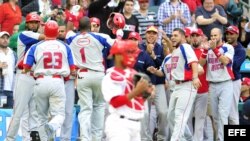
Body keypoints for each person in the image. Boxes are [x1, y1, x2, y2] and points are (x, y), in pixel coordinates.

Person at [23, 20, 75, 140]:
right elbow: (72, 69)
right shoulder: (65, 46)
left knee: (41, 118)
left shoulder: (35, 46)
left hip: (40, 81)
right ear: (57, 32)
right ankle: (52, 125)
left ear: (44, 31)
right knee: (59, 115)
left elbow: (26, 68)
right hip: (57, 81)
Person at [67, 17, 115, 141]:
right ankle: (97, 138)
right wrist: (118, 33)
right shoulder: (100, 37)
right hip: (98, 74)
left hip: (82, 74)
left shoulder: (72, 37)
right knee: (99, 106)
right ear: (90, 26)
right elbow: (116, 45)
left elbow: (68, 31)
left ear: (79, 26)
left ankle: (84, 138)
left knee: (85, 108)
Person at [102, 39, 154, 141]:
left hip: (136, 124)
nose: (132, 55)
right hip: (119, 124)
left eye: (132, 52)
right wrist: (137, 91)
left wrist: (147, 92)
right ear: (117, 55)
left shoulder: (133, 72)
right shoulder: (110, 76)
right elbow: (115, 102)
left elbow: (137, 99)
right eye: (128, 52)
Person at [6, 13, 45, 141]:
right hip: (24, 75)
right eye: (31, 22)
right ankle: (10, 138)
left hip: (36, 76)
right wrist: (46, 28)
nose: (33, 24)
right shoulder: (25, 34)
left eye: (36, 22)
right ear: (26, 24)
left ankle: (28, 138)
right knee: (19, 111)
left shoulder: (40, 40)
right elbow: (45, 36)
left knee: (33, 111)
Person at [199, 27, 235, 140]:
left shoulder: (228, 47)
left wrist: (215, 50)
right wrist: (205, 50)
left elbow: (225, 62)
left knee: (223, 115)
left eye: (216, 35)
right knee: (215, 117)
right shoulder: (208, 49)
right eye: (212, 35)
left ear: (220, 36)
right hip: (212, 85)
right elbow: (200, 65)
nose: (213, 37)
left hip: (226, 84)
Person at [166, 28, 200, 141]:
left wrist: (195, 77)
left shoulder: (185, 46)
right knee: (170, 115)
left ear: (183, 37)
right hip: (177, 86)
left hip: (187, 85)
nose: (173, 37)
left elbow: (194, 62)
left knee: (179, 115)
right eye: (172, 35)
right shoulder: (176, 49)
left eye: (176, 35)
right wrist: (167, 41)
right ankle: (188, 138)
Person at [188, 28, 209, 141]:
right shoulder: (187, 51)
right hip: (188, 89)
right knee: (187, 118)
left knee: (200, 118)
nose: (195, 38)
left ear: (201, 37)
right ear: (190, 38)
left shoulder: (205, 51)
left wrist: (205, 51)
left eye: (197, 35)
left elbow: (200, 65)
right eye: (193, 36)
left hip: (203, 89)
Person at [225, 25, 246, 125]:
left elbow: (234, 66)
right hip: (222, 81)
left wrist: (223, 59)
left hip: (234, 81)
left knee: (232, 112)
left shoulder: (240, 50)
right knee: (222, 114)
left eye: (231, 34)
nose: (229, 36)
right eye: (227, 33)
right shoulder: (223, 47)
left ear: (237, 35)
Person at [0, 31, 16, 108]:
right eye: (2, 38)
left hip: (12, 90)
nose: (5, 40)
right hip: (1, 90)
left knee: (11, 113)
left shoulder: (13, 53)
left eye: (7, 38)